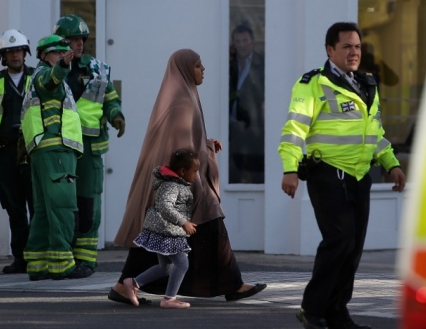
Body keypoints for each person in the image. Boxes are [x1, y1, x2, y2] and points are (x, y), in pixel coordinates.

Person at [107, 49, 266, 306]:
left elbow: (183, 141)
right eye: (198, 66)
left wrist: (205, 143)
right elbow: (180, 147)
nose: (203, 70)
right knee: (207, 224)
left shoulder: (182, 96)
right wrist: (196, 175)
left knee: (156, 236)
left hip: (179, 178)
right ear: (184, 69)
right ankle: (233, 285)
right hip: (183, 179)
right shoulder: (182, 102)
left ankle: (125, 285)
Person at [278, 22, 406, 329]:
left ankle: (337, 313)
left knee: (353, 248)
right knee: (338, 240)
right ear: (330, 50)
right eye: (347, 46)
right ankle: (313, 307)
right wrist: (290, 168)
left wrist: (391, 164)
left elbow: (375, 134)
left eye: (358, 47)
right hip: (327, 173)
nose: (354, 52)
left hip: (360, 176)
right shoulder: (313, 83)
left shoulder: (367, 84)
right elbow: (295, 128)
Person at [53, 14, 126, 272]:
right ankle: (66, 257)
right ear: (62, 42)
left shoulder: (98, 70)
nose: (79, 44)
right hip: (61, 148)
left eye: (81, 39)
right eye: (73, 39)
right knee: (65, 205)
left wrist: (116, 115)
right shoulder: (52, 71)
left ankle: (86, 259)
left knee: (88, 205)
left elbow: (111, 99)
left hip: (90, 149)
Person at [21, 34, 92, 281]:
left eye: (65, 52)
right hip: (56, 149)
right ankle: (63, 264)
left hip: (44, 151)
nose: (64, 55)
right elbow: (51, 80)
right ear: (44, 55)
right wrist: (63, 66)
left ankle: (38, 264)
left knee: (43, 210)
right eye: (58, 52)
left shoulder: (34, 78)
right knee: (62, 206)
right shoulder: (44, 75)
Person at [0, 29, 34, 274]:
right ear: (3, 56)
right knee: (14, 207)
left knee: (36, 205)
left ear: (26, 53)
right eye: (11, 51)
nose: (16, 55)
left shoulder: (39, 77)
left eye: (19, 51)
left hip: (32, 151)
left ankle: (36, 256)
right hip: (5, 153)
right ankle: (21, 258)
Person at [124, 149, 199, 309]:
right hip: (167, 231)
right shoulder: (172, 185)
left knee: (165, 267)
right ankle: (169, 299)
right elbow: (164, 206)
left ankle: (134, 283)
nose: (196, 175)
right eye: (195, 171)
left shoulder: (178, 183)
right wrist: (183, 222)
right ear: (182, 171)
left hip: (167, 230)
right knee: (182, 264)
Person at [228, 24, 265, 184]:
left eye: (245, 40)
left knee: (255, 173)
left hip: (253, 128)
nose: (241, 44)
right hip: (230, 128)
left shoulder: (262, 64)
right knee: (231, 172)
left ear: (252, 42)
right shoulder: (228, 64)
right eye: (237, 41)